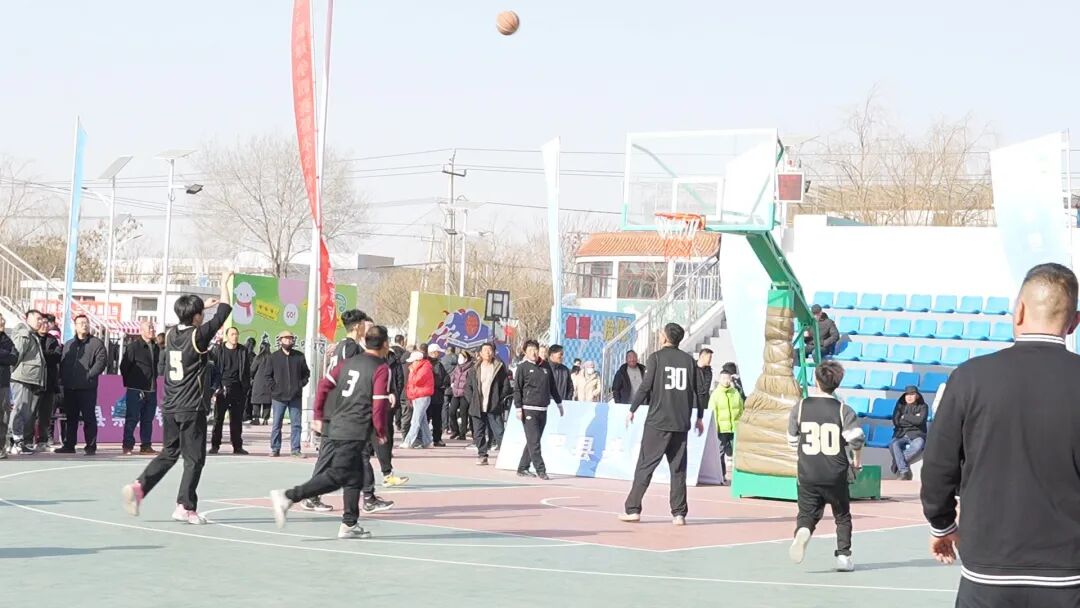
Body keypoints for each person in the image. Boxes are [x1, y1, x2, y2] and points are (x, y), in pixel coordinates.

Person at [922, 263, 1080, 605]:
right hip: (1069, 574)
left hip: (988, 572)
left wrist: (942, 525)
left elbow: (937, 465)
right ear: (1074, 322)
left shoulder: (970, 378)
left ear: (1019, 310)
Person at [121, 283, 233, 525]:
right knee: (194, 459)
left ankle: (139, 487)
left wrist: (202, 308)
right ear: (196, 317)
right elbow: (224, 312)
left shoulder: (171, 333)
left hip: (171, 405)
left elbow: (195, 318)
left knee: (169, 453)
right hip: (191, 406)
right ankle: (185, 506)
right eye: (201, 314)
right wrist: (225, 283)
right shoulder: (198, 336)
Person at [269, 325, 393, 539]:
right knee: (338, 476)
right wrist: (381, 431)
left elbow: (324, 385)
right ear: (385, 344)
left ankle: (349, 523)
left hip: (336, 423)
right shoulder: (381, 368)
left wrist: (318, 414)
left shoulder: (348, 362)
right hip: (354, 428)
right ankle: (289, 496)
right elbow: (379, 404)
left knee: (354, 477)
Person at [619, 323, 704, 525]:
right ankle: (679, 514)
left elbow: (645, 387)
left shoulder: (656, 358)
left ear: (665, 337)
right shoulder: (688, 361)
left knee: (645, 466)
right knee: (678, 470)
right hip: (680, 423)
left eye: (661, 333)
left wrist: (632, 409)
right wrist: (699, 416)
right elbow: (700, 391)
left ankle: (633, 509)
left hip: (657, 422)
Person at [786, 360, 864, 572]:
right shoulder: (843, 410)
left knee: (806, 513)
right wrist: (857, 462)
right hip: (835, 473)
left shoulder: (800, 407)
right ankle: (843, 556)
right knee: (842, 516)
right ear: (838, 383)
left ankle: (803, 530)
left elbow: (791, 440)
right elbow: (856, 440)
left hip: (808, 472)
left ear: (815, 380)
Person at [514, 339, 564, 480]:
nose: (533, 353)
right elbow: (517, 389)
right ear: (525, 352)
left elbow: (552, 386)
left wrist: (559, 404)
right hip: (528, 409)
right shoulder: (522, 367)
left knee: (533, 441)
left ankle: (522, 467)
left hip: (543, 409)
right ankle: (541, 470)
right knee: (534, 441)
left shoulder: (545, 366)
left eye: (535, 349)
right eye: (530, 350)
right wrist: (518, 408)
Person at [59, 314, 108, 455]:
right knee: (71, 418)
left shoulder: (96, 343)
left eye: (86, 322)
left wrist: (89, 375)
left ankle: (90, 446)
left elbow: (101, 362)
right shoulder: (69, 344)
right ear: (75, 326)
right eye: (81, 323)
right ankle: (69, 445)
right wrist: (63, 379)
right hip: (70, 387)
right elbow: (63, 363)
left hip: (87, 387)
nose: (84, 325)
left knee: (89, 418)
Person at [263, 330, 310, 457]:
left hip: (295, 396)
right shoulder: (273, 357)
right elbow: (267, 376)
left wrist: (300, 385)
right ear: (280, 341)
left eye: (290, 339)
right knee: (277, 424)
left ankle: (295, 449)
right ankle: (275, 448)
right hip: (278, 397)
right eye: (285, 339)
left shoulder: (299, 356)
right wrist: (275, 388)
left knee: (296, 424)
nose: (288, 341)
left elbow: (306, 373)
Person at [465, 343, 510, 465]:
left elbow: (505, 386)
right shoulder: (474, 369)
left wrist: (498, 399)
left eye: (490, 350)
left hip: (493, 406)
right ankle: (482, 455)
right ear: (480, 353)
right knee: (478, 433)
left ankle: (506, 456)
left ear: (494, 352)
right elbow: (468, 387)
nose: (488, 352)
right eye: (485, 350)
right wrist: (472, 400)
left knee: (499, 432)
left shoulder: (499, 368)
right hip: (477, 406)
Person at [120, 320, 161, 455]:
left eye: (153, 327)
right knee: (132, 418)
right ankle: (128, 445)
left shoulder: (156, 347)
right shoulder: (133, 347)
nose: (152, 330)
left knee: (148, 419)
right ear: (141, 331)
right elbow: (124, 366)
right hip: (136, 389)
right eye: (149, 328)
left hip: (151, 388)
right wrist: (132, 383)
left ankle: (146, 445)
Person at [209, 327, 251, 455]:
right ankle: (215, 445)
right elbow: (213, 369)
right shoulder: (218, 350)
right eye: (232, 334)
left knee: (237, 420)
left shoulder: (243, 350)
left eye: (236, 334)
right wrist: (215, 388)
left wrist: (245, 387)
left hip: (238, 388)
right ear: (227, 336)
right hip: (222, 388)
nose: (235, 336)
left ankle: (237, 446)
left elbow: (247, 370)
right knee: (218, 419)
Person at [9, 309, 45, 455]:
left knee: (26, 412)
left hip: (29, 378)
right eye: (38, 318)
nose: (40, 322)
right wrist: (11, 374)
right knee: (19, 410)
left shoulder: (31, 334)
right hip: (21, 378)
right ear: (27, 318)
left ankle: (18, 441)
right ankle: (15, 442)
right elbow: (15, 356)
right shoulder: (24, 334)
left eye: (41, 319)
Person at [30, 313, 61, 451]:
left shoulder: (52, 339)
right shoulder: (32, 338)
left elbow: (57, 356)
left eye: (47, 323)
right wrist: (46, 355)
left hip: (49, 382)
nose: (44, 325)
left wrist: (42, 354)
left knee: (45, 414)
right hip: (34, 381)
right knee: (31, 413)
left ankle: (43, 441)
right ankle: (27, 440)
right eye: (41, 322)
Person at [708, 371, 744, 483]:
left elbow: (741, 409)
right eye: (723, 378)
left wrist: (741, 424)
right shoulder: (715, 394)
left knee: (737, 452)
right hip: (721, 429)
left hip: (734, 428)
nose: (726, 381)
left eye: (728, 378)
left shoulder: (735, 393)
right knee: (720, 452)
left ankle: (739, 477)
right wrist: (715, 428)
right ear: (719, 379)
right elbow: (712, 412)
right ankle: (721, 476)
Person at [888, 385, 928, 480]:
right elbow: (896, 421)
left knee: (918, 445)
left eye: (912, 394)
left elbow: (920, 421)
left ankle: (897, 464)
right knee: (893, 444)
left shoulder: (923, 406)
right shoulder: (900, 405)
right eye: (907, 395)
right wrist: (913, 419)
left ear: (917, 396)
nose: (909, 397)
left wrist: (904, 417)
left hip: (917, 434)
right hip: (901, 433)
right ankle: (904, 471)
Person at [401, 349, 434, 449]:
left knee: (415, 420)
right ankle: (428, 442)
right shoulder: (420, 368)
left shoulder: (425, 368)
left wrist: (412, 372)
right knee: (422, 421)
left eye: (413, 361)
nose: (411, 364)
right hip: (417, 396)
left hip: (422, 396)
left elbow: (417, 381)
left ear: (418, 361)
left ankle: (408, 441)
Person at [0, 316, 19, 459]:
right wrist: (4, 354)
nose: (2, 323)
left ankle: (1, 447)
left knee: (3, 416)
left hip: (3, 383)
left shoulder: (7, 340)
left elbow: (14, 357)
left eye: (3, 320)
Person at [426, 343, 449, 446]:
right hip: (434, 394)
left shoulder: (434, 364)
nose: (439, 354)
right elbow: (440, 379)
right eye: (437, 352)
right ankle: (435, 439)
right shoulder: (434, 365)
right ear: (433, 353)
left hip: (431, 395)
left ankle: (430, 438)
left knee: (430, 418)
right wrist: (443, 384)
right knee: (434, 418)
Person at [448, 350, 473, 440]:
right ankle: (455, 430)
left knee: (463, 413)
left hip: (465, 394)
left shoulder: (470, 368)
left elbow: (470, 381)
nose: (459, 359)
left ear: (466, 359)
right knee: (451, 412)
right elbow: (453, 376)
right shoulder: (457, 367)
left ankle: (463, 433)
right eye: (459, 357)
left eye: (461, 357)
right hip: (456, 392)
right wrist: (452, 383)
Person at [249, 342, 272, 425]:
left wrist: (251, 377)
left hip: (258, 382)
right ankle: (265, 419)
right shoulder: (272, 358)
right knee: (267, 401)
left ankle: (256, 418)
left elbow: (252, 369)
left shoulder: (258, 357)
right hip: (269, 381)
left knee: (256, 400)